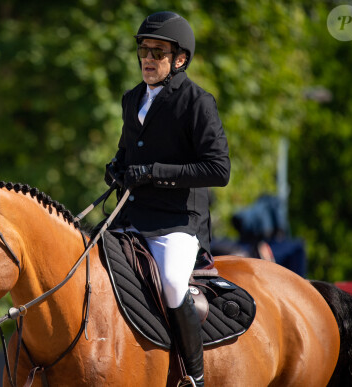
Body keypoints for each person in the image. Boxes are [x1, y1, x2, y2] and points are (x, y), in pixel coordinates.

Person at [105, 11, 231, 387]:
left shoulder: (197, 102)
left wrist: (157, 173)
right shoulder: (132, 100)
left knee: (173, 284)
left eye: (157, 52)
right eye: (143, 50)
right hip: (129, 217)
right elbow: (126, 153)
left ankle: (195, 376)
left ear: (179, 59)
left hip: (176, 221)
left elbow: (218, 170)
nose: (147, 58)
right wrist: (115, 169)